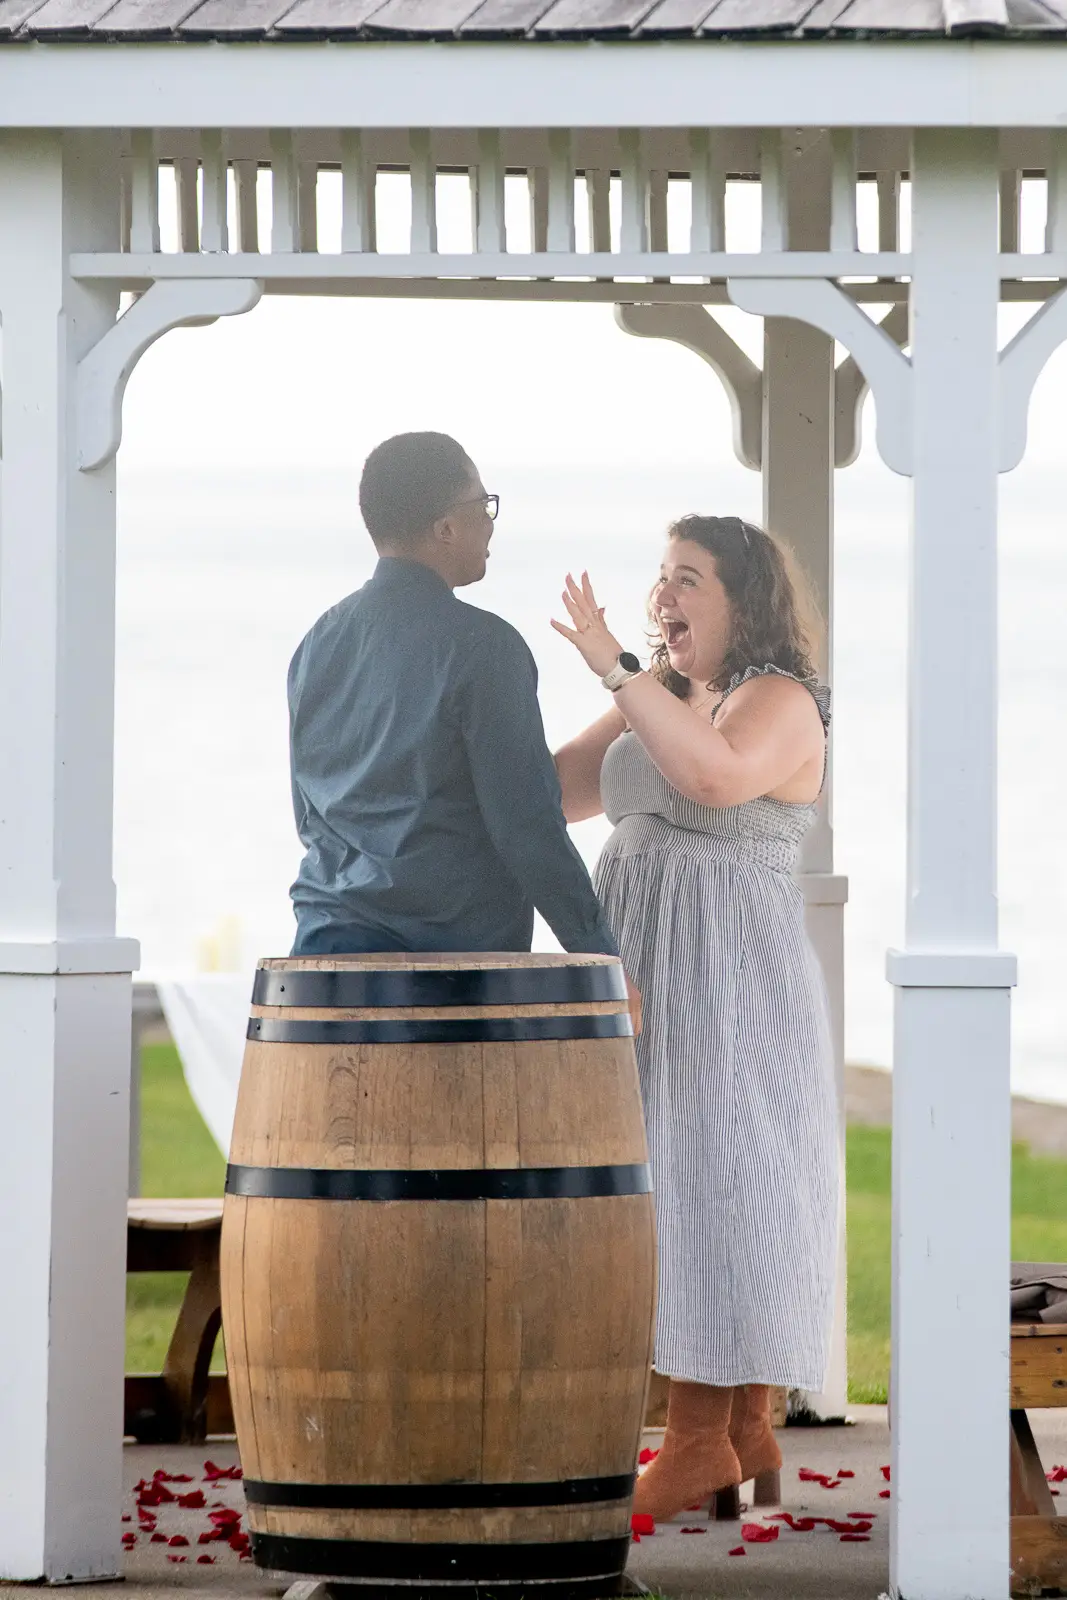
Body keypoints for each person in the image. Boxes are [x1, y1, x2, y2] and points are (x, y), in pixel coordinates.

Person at [552, 515, 839, 1519]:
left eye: (688, 579)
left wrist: (615, 668)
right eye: (661, 576)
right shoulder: (663, 695)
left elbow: (713, 776)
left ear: (742, 600)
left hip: (728, 969)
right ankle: (743, 1430)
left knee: (719, 1181)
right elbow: (561, 791)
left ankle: (696, 1439)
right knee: (673, 1178)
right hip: (643, 956)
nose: (662, 594)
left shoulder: (780, 700)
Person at [287, 431, 619, 960]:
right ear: (445, 528)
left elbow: (311, 816)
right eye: (483, 506)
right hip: (447, 972)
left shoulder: (318, 643)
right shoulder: (484, 647)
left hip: (322, 959)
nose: (490, 522)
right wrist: (599, 954)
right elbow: (527, 826)